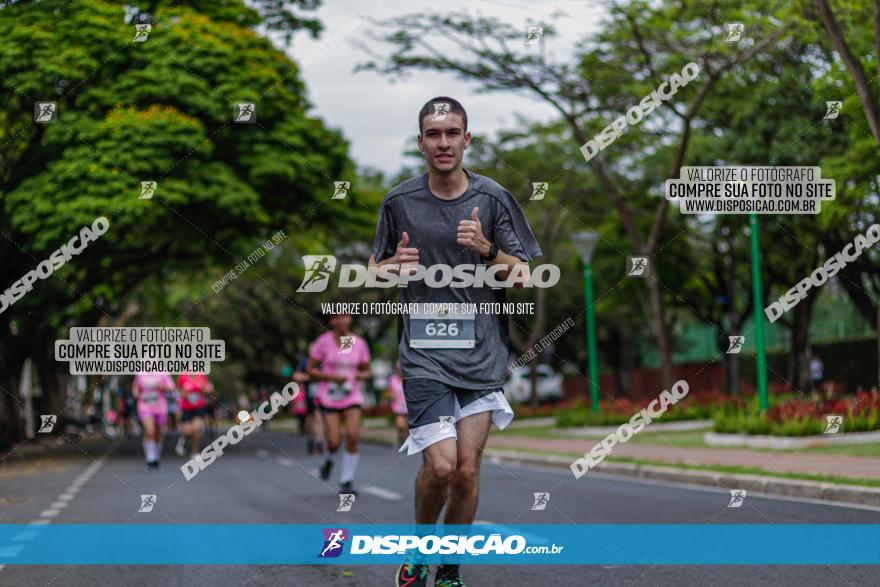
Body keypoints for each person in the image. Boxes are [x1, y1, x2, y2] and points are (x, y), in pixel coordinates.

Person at [370, 97, 540, 587]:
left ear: (467, 139)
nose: (443, 142)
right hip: (423, 355)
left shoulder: (493, 199)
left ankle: (449, 567)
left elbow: (525, 274)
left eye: (452, 133)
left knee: (467, 472)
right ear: (420, 142)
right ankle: (422, 551)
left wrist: (487, 250)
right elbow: (375, 270)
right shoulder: (399, 202)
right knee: (441, 467)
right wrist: (391, 269)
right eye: (433, 134)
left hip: (482, 355)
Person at [307, 312, 372, 495]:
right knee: (334, 441)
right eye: (338, 317)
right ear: (332, 321)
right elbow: (310, 370)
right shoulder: (323, 342)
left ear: (350, 319)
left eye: (346, 316)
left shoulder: (358, 343)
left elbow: (367, 371)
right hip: (329, 397)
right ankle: (328, 460)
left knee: (352, 435)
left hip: (351, 396)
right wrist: (332, 377)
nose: (342, 320)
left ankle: (346, 481)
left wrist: (358, 375)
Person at [132, 371, 176, 470]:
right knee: (149, 431)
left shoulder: (163, 373)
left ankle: (156, 457)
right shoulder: (140, 374)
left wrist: (160, 387)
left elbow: (171, 388)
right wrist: (137, 394)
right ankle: (150, 459)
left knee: (158, 433)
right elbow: (135, 388)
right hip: (145, 406)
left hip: (160, 407)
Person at [175, 372, 213, 457]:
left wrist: (204, 389)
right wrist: (185, 394)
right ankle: (182, 439)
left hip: (199, 407)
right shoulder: (182, 376)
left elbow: (208, 390)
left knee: (197, 428)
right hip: (186, 408)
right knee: (188, 431)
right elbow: (178, 390)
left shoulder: (202, 376)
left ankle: (194, 451)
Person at [389, 362, 408, 449]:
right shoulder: (393, 379)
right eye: (398, 369)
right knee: (400, 425)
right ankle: (401, 439)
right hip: (398, 405)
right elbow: (390, 391)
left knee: (407, 426)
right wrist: (391, 395)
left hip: (408, 405)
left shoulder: (408, 379)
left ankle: (405, 440)